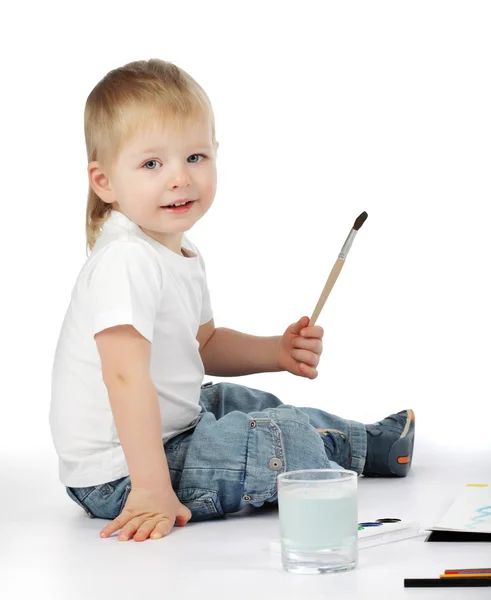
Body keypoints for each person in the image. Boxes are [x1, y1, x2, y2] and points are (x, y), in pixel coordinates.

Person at [49, 58, 415, 544]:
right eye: (152, 164)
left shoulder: (179, 250)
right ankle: (335, 451)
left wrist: (275, 352)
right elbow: (123, 377)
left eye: (195, 158)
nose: (179, 178)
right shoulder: (127, 261)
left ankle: (368, 444)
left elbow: (205, 344)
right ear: (105, 181)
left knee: (243, 402)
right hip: (121, 472)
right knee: (277, 434)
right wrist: (152, 487)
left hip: (167, 429)